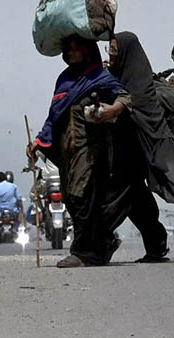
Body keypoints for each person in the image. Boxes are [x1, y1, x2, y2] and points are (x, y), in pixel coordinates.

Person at [103, 31, 174, 263]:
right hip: (123, 153)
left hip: (135, 151)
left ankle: (95, 244)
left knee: (117, 199)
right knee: (137, 201)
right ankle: (155, 245)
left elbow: (138, 111)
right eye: (110, 50)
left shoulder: (138, 83)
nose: (111, 55)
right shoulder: (118, 76)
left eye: (115, 50)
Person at [27, 36, 130, 268]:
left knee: (80, 196)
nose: (72, 54)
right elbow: (54, 115)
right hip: (67, 150)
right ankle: (103, 243)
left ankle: (81, 253)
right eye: (69, 50)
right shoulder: (64, 79)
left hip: (91, 148)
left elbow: (125, 97)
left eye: (77, 49)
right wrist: (38, 141)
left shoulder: (99, 76)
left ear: (87, 50)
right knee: (72, 200)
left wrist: (111, 110)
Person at [0, 171, 23, 235]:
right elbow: (19, 197)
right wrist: (19, 205)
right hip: (12, 209)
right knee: (19, 218)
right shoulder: (13, 186)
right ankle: (15, 229)